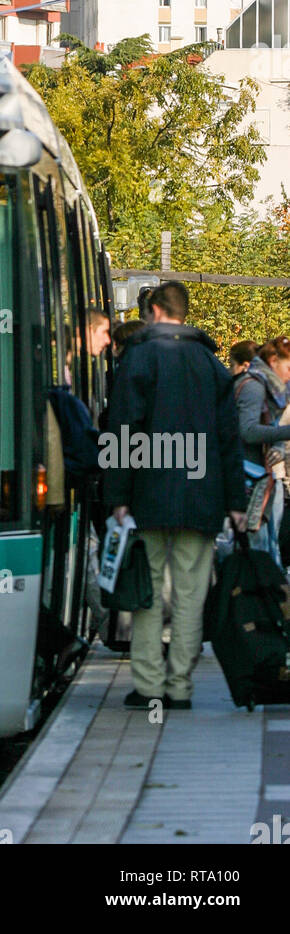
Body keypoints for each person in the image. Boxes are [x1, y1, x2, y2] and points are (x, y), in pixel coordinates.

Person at [105, 280, 247, 709]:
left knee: (147, 591)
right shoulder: (212, 364)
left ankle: (148, 685)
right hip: (202, 498)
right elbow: (229, 439)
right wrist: (236, 502)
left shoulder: (139, 358)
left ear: (154, 311)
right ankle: (180, 687)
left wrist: (118, 493)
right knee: (191, 594)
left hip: (148, 496)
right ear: (183, 313)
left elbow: (123, 428)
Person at [234, 336, 290, 569]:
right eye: (288, 367)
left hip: (262, 475)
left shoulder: (271, 388)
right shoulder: (255, 387)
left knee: (267, 544)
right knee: (259, 546)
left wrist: (278, 441)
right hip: (252, 477)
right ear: (273, 360)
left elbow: (271, 426)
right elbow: (247, 431)